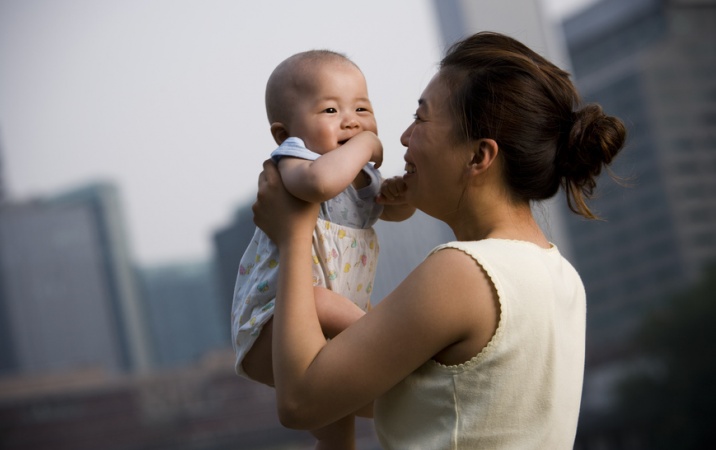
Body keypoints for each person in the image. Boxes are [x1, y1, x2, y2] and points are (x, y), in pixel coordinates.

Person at [249, 31, 627, 449]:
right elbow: (416, 399)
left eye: (422, 118)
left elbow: (300, 404)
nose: (405, 137)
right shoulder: (560, 275)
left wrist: (293, 235)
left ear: (479, 156)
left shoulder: (463, 272)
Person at [230, 50, 414, 449]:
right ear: (284, 133)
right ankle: (388, 338)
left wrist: (402, 196)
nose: (351, 120)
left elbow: (391, 213)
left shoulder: (359, 173)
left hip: (323, 333)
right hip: (275, 323)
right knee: (325, 302)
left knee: (336, 418)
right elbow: (319, 185)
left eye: (362, 108)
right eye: (331, 109)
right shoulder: (298, 161)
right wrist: (365, 143)